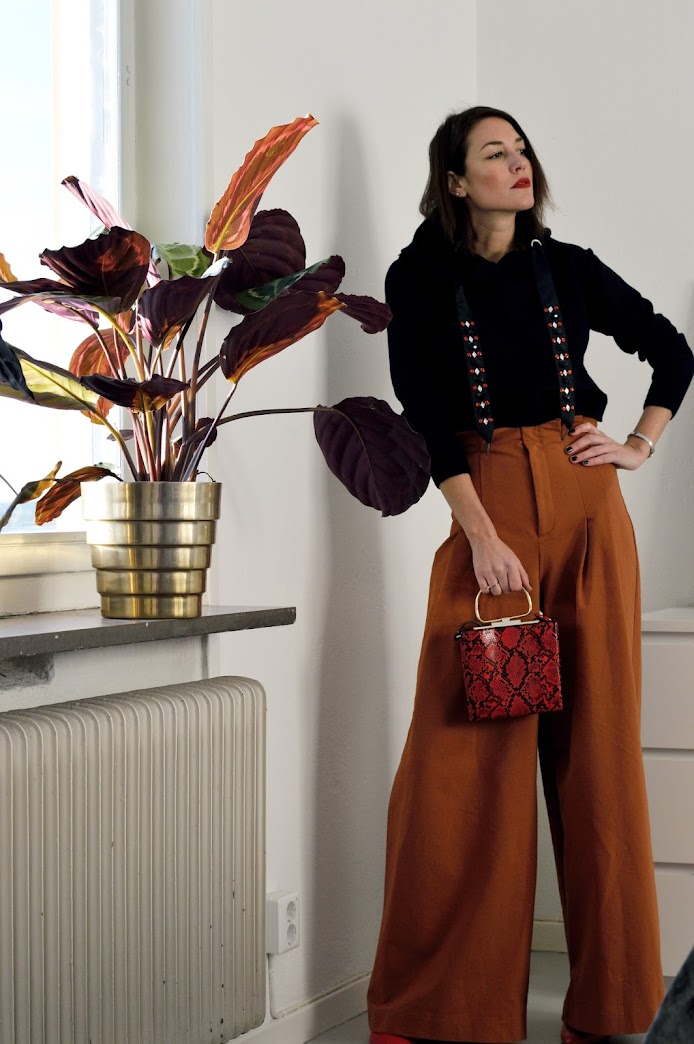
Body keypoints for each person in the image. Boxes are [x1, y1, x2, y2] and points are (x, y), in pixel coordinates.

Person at [367, 106, 694, 1044]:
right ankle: (443, 1011)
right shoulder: (418, 277)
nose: (519, 165)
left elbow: (672, 350)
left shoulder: (570, 266)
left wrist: (636, 443)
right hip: (491, 512)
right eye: (495, 153)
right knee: (463, 767)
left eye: (522, 150)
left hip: (589, 511)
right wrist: (478, 535)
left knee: (600, 760)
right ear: (455, 181)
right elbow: (426, 413)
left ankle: (610, 1009)